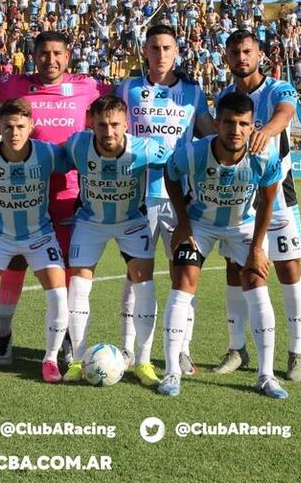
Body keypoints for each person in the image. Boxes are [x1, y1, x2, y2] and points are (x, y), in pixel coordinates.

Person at [0, 31, 108, 366]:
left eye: (57, 53)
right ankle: (3, 334)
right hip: (25, 195)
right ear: (33, 55)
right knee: (15, 264)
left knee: (72, 270)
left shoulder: (89, 87)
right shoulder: (12, 86)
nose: (50, 60)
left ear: (68, 56)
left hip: (71, 195)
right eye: (43, 53)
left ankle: (70, 340)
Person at [160, 92, 287, 399]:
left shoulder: (264, 157)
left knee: (257, 282)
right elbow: (170, 175)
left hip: (242, 227)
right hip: (200, 225)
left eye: (244, 124)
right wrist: (184, 222)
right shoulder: (192, 153)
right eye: (229, 122)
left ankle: (266, 375)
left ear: (252, 125)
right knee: (183, 282)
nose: (236, 130)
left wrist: (257, 248)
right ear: (216, 123)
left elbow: (268, 203)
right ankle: (171, 372)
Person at [116, 24, 212, 378]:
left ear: (176, 52)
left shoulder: (192, 91)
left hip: (180, 200)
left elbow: (211, 133)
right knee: (134, 275)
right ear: (144, 51)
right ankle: (128, 348)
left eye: (167, 48)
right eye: (154, 48)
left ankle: (182, 350)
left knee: (182, 275)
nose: (160, 55)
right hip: (135, 197)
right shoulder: (127, 89)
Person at [214, 30, 301, 383]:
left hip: (280, 194)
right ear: (227, 57)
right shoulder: (224, 96)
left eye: (248, 51)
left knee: (288, 270)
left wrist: (266, 130)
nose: (242, 57)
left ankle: (296, 353)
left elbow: (285, 114)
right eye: (235, 51)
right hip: (238, 197)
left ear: (260, 55)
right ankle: (237, 348)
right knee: (235, 270)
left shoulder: (277, 88)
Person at [60, 95, 171, 384]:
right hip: (90, 222)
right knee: (79, 286)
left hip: (132, 223)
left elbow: (176, 162)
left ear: (126, 125)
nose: (108, 132)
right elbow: (54, 160)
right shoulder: (78, 144)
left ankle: (143, 361)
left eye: (115, 125)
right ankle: (77, 359)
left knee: (144, 285)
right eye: (101, 126)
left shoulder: (145, 148)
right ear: (92, 125)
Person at [0, 99, 71, 382]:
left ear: (31, 127)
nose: (14, 132)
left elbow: (79, 158)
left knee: (60, 295)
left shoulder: (48, 154)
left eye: (21, 126)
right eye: (8, 126)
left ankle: (50, 359)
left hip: (39, 235)